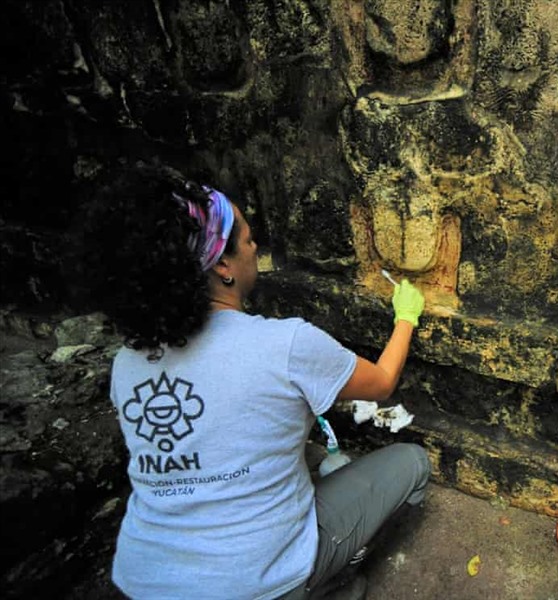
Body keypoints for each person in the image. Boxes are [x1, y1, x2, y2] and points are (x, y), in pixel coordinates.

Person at [76, 164, 430, 599]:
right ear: (224, 265)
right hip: (258, 584)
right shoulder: (284, 344)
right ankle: (327, 581)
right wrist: (407, 317)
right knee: (412, 462)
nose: (255, 245)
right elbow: (380, 385)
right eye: (247, 238)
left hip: (142, 581)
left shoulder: (127, 364)